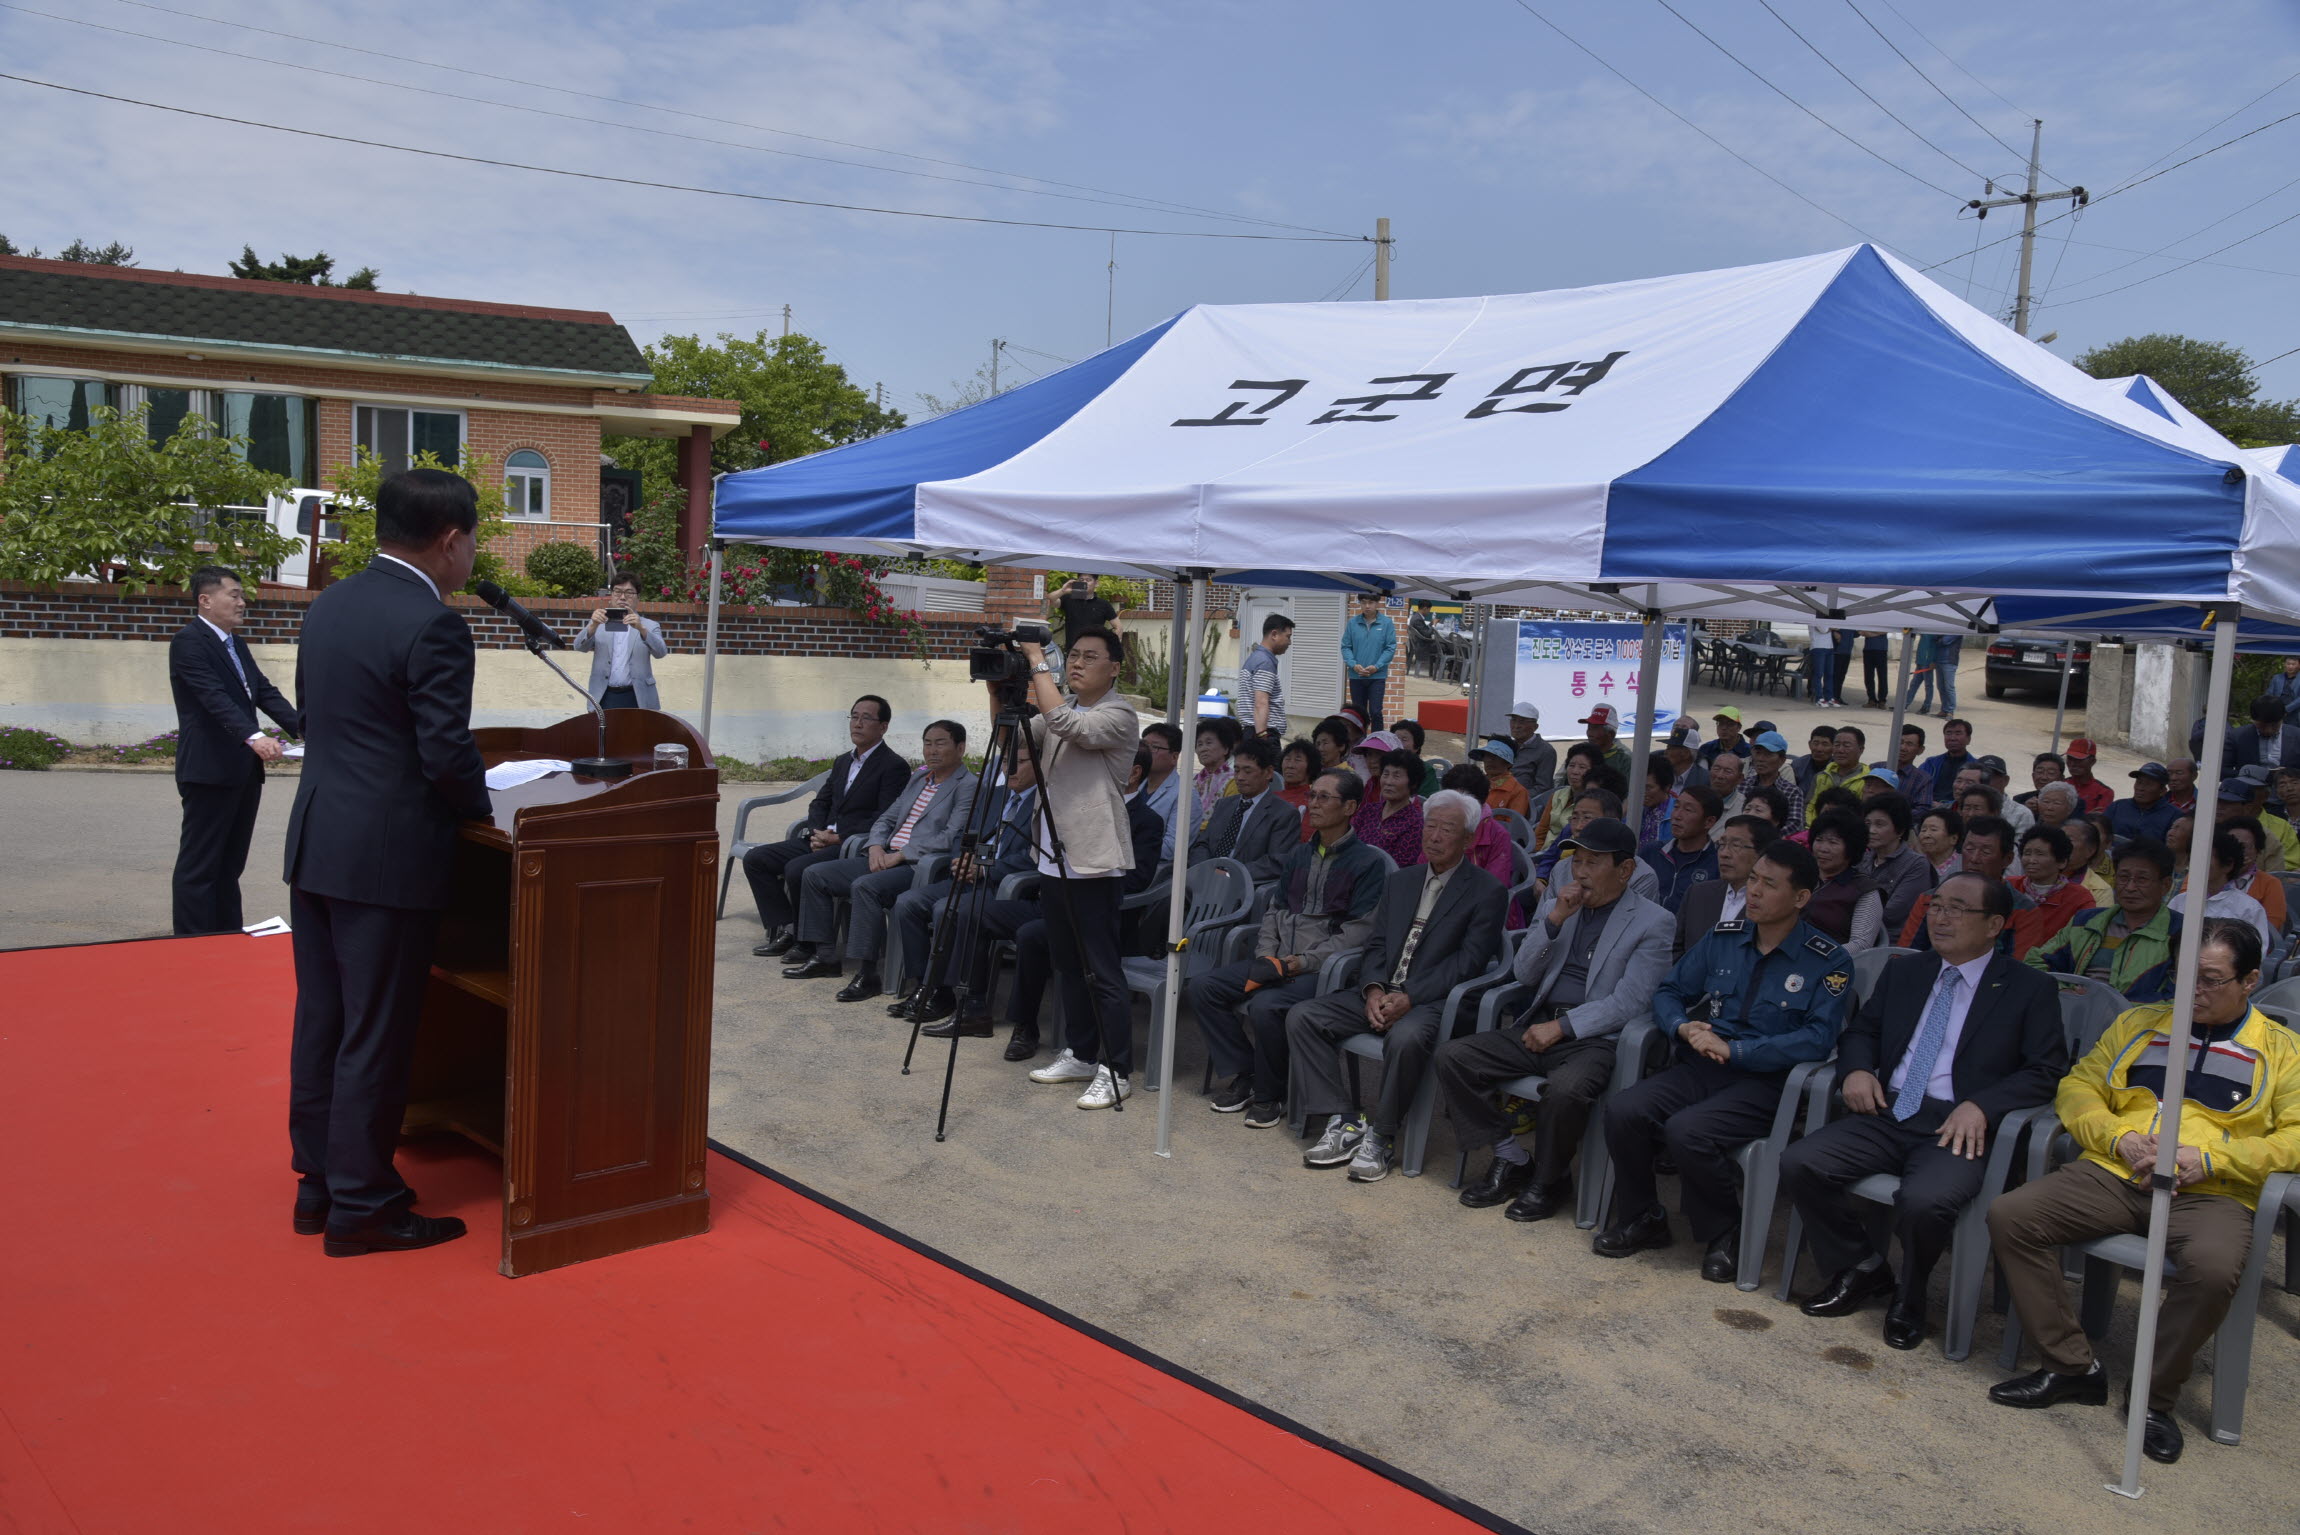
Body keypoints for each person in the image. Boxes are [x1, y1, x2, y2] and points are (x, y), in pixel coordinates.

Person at [1987, 919, 2300, 1464]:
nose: (2193, 992)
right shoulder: (2139, 1023)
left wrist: (2209, 1159)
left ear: (2249, 980)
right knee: (2012, 1215)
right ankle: (2072, 1366)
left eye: (2210, 979)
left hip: (2213, 1191)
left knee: (2213, 1266)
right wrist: (2120, 1137)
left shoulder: (2282, 1050)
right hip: (2115, 1171)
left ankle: (2153, 1398)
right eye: (2183, 977)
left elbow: (2295, 1136)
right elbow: (2078, 1086)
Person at [283, 467, 491, 1256]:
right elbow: (444, 751)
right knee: (375, 1030)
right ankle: (364, 1206)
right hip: (386, 858)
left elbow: (321, 716)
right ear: (449, 539)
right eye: (472, 541)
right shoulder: (432, 622)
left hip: (319, 843)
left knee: (324, 1020)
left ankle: (319, 1184)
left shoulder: (330, 601)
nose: (471, 556)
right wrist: (483, 807)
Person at [1781, 874, 2067, 1350]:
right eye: (1936, 906)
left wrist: (1983, 1105)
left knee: (1925, 1202)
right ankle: (1862, 1266)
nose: (1942, 918)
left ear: (1995, 924)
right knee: (1800, 1163)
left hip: (1957, 1125)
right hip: (1889, 1109)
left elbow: (2046, 1069)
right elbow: (1862, 1032)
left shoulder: (2029, 988)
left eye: (1958, 909)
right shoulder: (1907, 971)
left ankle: (1911, 1295)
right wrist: (1856, 1070)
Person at [1593, 841, 1852, 1278]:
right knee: (1624, 1109)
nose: (1753, 891)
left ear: (1801, 898)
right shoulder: (1725, 936)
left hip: (1767, 1082)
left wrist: (1740, 1050)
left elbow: (1817, 1039)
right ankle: (1642, 1217)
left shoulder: (1828, 960)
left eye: (1769, 885)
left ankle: (1724, 1230)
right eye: (1753, 879)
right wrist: (1682, 1027)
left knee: (1687, 1131)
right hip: (1702, 1065)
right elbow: (1672, 991)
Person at [1440, 817, 1675, 1222]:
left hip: (1595, 1038)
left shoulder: (1653, 922)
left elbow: (1632, 1001)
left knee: (1566, 1091)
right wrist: (1553, 922)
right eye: (1577, 860)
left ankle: (1548, 1180)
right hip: (1538, 1023)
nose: (1580, 872)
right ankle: (1510, 1156)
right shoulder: (1556, 906)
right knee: (1454, 1057)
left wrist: (1564, 1028)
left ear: (1625, 870)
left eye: (1593, 863)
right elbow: (1525, 975)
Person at [1287, 791, 1508, 1182]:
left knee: (1406, 1038)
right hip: (1384, 990)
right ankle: (1344, 1118)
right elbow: (1375, 943)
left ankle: (1382, 1135)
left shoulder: (1486, 891)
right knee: (1304, 1016)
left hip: (1434, 1002)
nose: (1435, 836)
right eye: (1431, 826)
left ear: (1470, 839)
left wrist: (1411, 996)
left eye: (1447, 829)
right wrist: (1373, 989)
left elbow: (1468, 963)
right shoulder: (1402, 880)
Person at [929, 748, 1161, 1057]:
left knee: (1032, 935)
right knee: (969, 911)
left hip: (1098, 912)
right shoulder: (1085, 807)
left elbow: (1137, 879)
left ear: (1133, 773)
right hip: (1049, 900)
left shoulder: (1147, 820)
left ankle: (1025, 1027)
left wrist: (1084, 873)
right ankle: (971, 1008)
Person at [1187, 769, 1389, 1122]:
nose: (1313, 804)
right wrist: (1267, 956)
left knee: (1267, 1004)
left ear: (1350, 807)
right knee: (1204, 987)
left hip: (1324, 970)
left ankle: (1271, 1094)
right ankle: (1247, 1073)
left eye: (1324, 797)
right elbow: (1275, 911)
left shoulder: (1367, 863)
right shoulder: (1299, 855)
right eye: (1312, 795)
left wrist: (1297, 963)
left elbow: (1356, 934)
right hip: (1276, 961)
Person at [1004, 625, 1146, 1110]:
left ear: (1113, 667)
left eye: (1090, 656)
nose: (1079, 663)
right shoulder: (1064, 708)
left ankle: (1117, 1068)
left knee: (1101, 970)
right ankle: (1082, 1053)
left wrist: (1038, 660)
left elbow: (1068, 727)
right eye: (1076, 655)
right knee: (1067, 965)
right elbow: (1023, 736)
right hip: (1052, 854)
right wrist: (999, 690)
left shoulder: (1119, 713)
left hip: (1092, 858)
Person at [783, 720, 978, 1001]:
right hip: (884, 856)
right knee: (815, 874)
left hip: (918, 866)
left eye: (941, 743)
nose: (932, 750)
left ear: (960, 748)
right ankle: (825, 957)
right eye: (927, 743)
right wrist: (875, 846)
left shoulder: (967, 785)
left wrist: (900, 854)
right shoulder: (919, 778)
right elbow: (886, 818)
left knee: (866, 887)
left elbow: (951, 836)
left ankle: (868, 973)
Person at [169, 566, 300, 936]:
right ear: (206, 600)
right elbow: (214, 698)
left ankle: (225, 938)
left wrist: (308, 730)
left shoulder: (235, 643)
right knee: (200, 865)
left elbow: (263, 691)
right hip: (209, 769)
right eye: (235, 595)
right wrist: (255, 737)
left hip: (242, 771)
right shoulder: (189, 642)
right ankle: (192, 942)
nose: (242, 602)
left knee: (229, 865)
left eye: (242, 596)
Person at [746, 696, 909, 958]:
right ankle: (788, 928)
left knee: (798, 868)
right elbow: (820, 802)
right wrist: (816, 832)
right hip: (821, 838)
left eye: (866, 718)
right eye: (854, 716)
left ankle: (806, 942)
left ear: (883, 727)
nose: (857, 724)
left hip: (851, 844)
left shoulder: (894, 766)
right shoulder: (843, 761)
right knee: (757, 859)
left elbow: (885, 817)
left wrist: (838, 837)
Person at [891, 749, 1039, 1026]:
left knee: (944, 909)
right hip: (968, 876)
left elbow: (1034, 856)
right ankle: (926, 986)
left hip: (1004, 887)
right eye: (1006, 762)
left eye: (1019, 763)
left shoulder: (1046, 804)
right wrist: (964, 857)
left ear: (1039, 763)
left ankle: (948, 993)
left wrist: (986, 868)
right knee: (908, 902)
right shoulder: (996, 795)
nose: (1011, 770)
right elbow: (964, 833)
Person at [2026, 839, 2183, 1001]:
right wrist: (2065, 993)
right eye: (2123, 877)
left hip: (2142, 1023)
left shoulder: (2181, 932)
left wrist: (2121, 1013)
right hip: (2078, 1017)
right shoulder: (2085, 922)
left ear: (2166, 885)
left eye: (2141, 879)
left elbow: (2179, 997)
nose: (2129, 887)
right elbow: (2036, 963)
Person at [1900, 816, 2031, 951]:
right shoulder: (1930, 900)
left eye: (1985, 852)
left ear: (2007, 859)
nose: (1974, 859)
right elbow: (1904, 955)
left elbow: (2021, 967)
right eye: (1969, 849)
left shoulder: (2024, 910)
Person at [1190, 735, 1299, 882]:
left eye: (1247, 771)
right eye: (1236, 770)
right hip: (1205, 878)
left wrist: (1227, 874)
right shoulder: (1224, 804)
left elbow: (1275, 862)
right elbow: (1202, 844)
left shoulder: (1284, 813)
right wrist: (1206, 869)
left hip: (1244, 886)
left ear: (1268, 773)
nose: (1239, 777)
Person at [1674, 814, 1781, 955]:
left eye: (1735, 846)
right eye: (1722, 844)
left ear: (1762, 853)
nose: (1724, 854)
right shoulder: (1698, 893)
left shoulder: (1774, 904)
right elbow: (1675, 949)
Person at [2169, 828, 2276, 949]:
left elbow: (2256, 953)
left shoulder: (2249, 908)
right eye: (2194, 858)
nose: (2197, 864)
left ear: (2228, 864)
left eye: (2206, 858)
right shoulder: (2179, 902)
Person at [574, 574, 667, 710]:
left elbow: (661, 652)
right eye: (617, 592)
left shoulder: (649, 625)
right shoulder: (599, 622)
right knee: (604, 731)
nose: (622, 597)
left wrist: (642, 629)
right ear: (611, 595)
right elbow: (579, 647)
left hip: (637, 695)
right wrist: (593, 625)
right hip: (604, 694)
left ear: (638, 597)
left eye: (629, 593)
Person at [2005, 825, 2095, 960]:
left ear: (2062, 862)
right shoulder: (2008, 886)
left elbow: (2080, 943)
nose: (2031, 860)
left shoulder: (2080, 898)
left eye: (2040, 854)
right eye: (2027, 853)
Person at [1807, 810, 1885, 952]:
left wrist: (1823, 957)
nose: (1823, 849)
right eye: (1819, 840)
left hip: (1830, 963)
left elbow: (1861, 944)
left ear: (1851, 849)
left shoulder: (1864, 889)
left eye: (1833, 842)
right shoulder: (1800, 876)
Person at [1860, 792, 1933, 937]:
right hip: (1855, 933)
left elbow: (1891, 914)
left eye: (1879, 824)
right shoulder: (1863, 859)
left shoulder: (1916, 864)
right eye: (1867, 824)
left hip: (1888, 942)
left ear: (1899, 829)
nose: (1871, 831)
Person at [1640, 785, 1722, 913]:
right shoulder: (1652, 852)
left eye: (1688, 810)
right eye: (1676, 807)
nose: (1677, 816)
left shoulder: (1718, 863)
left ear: (1709, 822)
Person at [1443, 763, 1519, 887]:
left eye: (1461, 802)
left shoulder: (1498, 836)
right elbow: (1424, 869)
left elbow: (1494, 886)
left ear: (1478, 802)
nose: (1453, 807)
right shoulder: (1437, 827)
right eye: (1449, 799)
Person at [1352, 747, 1427, 868]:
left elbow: (1398, 868)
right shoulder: (1369, 810)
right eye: (1385, 774)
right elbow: (1348, 842)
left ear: (1413, 783)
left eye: (1396, 776)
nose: (1388, 781)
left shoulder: (1415, 824)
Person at [1341, 591, 1397, 729]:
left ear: (1377, 603)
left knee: (1376, 712)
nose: (1367, 606)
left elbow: (1390, 648)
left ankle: (1378, 743)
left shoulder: (1386, 623)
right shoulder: (1353, 623)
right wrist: (1354, 665)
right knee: (1358, 713)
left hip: (1377, 675)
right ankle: (1358, 743)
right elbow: (1346, 647)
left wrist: (1377, 666)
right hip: (1357, 675)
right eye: (1363, 602)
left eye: (1370, 602)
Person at [2222, 816, 2287, 931]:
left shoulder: (2270, 884)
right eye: (2231, 844)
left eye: (2244, 847)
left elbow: (2271, 930)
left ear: (2258, 851)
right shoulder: (2202, 877)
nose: (2237, 851)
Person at [1533, 742, 1599, 848]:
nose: (1575, 772)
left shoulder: (1595, 801)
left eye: (1582, 767)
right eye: (1571, 765)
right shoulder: (1557, 795)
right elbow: (1541, 833)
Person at [1239, 612, 1293, 738]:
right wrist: (1262, 736)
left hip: (1252, 730)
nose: (1289, 642)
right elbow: (1261, 703)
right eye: (1288, 636)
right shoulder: (1265, 662)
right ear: (1274, 634)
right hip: (1263, 732)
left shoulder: (1256, 658)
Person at [1137, 721, 1183, 858]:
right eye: (1144, 745)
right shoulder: (1135, 784)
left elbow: (1172, 848)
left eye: (1154, 747)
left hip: (1155, 870)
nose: (1145, 751)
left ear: (1174, 757)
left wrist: (1129, 849)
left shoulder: (1184, 795)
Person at [2226, 693, 2300, 775]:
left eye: (2274, 725)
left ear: (2284, 717)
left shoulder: (2297, 736)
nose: (2269, 730)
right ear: (2253, 719)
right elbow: (2222, 770)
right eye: (2262, 725)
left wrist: (2292, 774)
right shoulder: (2237, 736)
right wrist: (2249, 775)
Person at [2107, 762, 2179, 844]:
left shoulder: (2174, 816)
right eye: (2139, 782)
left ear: (2162, 791)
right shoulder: (2117, 807)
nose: (2140, 788)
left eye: (2148, 784)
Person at [1748, 730, 1808, 830]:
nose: (1760, 759)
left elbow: (1794, 826)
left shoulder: (1792, 792)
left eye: (1768, 754)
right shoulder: (1742, 786)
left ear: (1782, 760)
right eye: (1757, 753)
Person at [1191, 716, 1241, 828]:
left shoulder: (1233, 781)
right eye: (1199, 744)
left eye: (1209, 743)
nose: (1203, 749)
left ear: (1226, 749)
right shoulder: (1192, 780)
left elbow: (1225, 820)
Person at [1505, 701, 1558, 805]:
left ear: (1535, 727)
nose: (1516, 726)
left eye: (1522, 722)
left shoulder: (1546, 751)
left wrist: (1514, 798)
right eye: (1513, 720)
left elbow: (1543, 788)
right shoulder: (1507, 746)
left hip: (1524, 806)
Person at [1468, 736, 1532, 817]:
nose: (1489, 760)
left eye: (1496, 756)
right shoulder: (1474, 782)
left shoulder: (1518, 792)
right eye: (1487, 755)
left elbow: (1514, 825)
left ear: (1508, 763)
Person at [1919, 719, 1977, 810]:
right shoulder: (1931, 763)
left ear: (1968, 739)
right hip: (1927, 807)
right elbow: (1918, 786)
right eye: (1948, 733)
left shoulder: (1976, 768)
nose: (1952, 738)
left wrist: (1945, 806)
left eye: (1958, 734)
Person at [1052, 574, 1116, 649]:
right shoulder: (1068, 599)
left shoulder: (1104, 604)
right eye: (1081, 580)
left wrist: (1110, 647)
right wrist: (1063, 590)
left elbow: (1118, 627)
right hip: (1073, 651)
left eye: (1088, 580)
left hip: (1095, 652)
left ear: (1096, 583)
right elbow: (1049, 600)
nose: (1084, 582)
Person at [2061, 817, 2113, 905]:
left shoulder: (2100, 890)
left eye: (2069, 840)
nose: (2059, 844)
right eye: (2058, 839)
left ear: (2090, 850)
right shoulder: (2040, 872)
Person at [1813, 726, 1874, 800]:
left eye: (1846, 746)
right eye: (1837, 745)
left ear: (1861, 750)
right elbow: (1810, 806)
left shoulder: (1868, 782)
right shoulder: (1822, 776)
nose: (1840, 750)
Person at [2059, 739, 2113, 816]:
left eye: (2079, 760)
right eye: (2070, 759)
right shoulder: (2060, 785)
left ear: (2092, 761)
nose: (2073, 764)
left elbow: (2098, 822)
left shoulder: (2104, 792)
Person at [1389, 718, 1443, 795]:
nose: (1398, 743)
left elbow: (1426, 800)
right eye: (1395, 738)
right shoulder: (1386, 764)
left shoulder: (1426, 770)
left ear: (1416, 746)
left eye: (1404, 739)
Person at [1578, 703, 1632, 779]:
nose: (1590, 734)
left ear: (1611, 734)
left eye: (1595, 729)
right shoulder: (1580, 753)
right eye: (1589, 728)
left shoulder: (1624, 760)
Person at [1891, 725, 1935, 813]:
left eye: (1909, 744)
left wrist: (1895, 817)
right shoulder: (1876, 767)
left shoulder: (1923, 780)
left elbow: (1923, 810)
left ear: (1920, 750)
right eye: (1900, 742)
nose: (1903, 748)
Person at [1915, 807, 1964, 882]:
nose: (1926, 835)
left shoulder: (1964, 866)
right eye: (1923, 830)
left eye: (1933, 829)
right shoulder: (1913, 864)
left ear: (1953, 839)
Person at [1794, 725, 1835, 800]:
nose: (1819, 749)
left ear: (1834, 747)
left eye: (1825, 744)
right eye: (1815, 743)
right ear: (1809, 744)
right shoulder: (1798, 765)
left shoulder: (1838, 768)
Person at [1277, 738, 1318, 813]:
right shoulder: (1270, 797)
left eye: (1297, 760)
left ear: (1311, 766)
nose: (1290, 765)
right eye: (1287, 759)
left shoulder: (1314, 801)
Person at [1903, 632, 1938, 714]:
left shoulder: (1934, 633)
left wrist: (1933, 661)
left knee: (1928, 685)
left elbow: (1935, 647)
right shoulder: (1923, 631)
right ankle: (1904, 705)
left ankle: (1926, 706)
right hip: (1920, 660)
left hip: (1928, 662)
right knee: (1914, 684)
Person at [1706, 750, 1748, 817]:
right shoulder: (1695, 798)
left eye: (1728, 771)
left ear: (1740, 778)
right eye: (1716, 769)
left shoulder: (1744, 808)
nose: (1720, 776)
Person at [1931, 633, 1963, 718]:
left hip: (1950, 662)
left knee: (1949, 687)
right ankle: (1944, 710)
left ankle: (1950, 711)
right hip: (1939, 660)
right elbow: (1933, 637)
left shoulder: (1957, 631)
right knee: (1941, 687)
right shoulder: (1943, 630)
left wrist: (1939, 638)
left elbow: (1945, 641)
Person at [1860, 630, 1890, 708]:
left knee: (1882, 676)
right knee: (1868, 676)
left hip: (1881, 650)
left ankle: (1882, 700)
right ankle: (1871, 699)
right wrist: (1877, 633)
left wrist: (1870, 633)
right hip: (1868, 650)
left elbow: (1885, 631)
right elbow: (1861, 632)